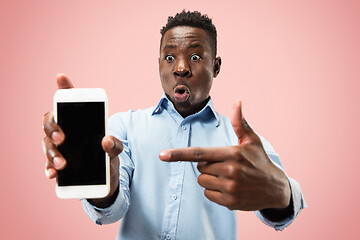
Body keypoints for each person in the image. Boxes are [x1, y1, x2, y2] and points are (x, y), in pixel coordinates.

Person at [42, 10, 306, 240]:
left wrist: (282, 195)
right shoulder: (122, 128)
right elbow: (111, 212)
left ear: (216, 67)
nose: (180, 68)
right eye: (169, 58)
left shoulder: (242, 142)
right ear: (158, 65)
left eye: (195, 57)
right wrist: (105, 185)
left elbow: (282, 207)